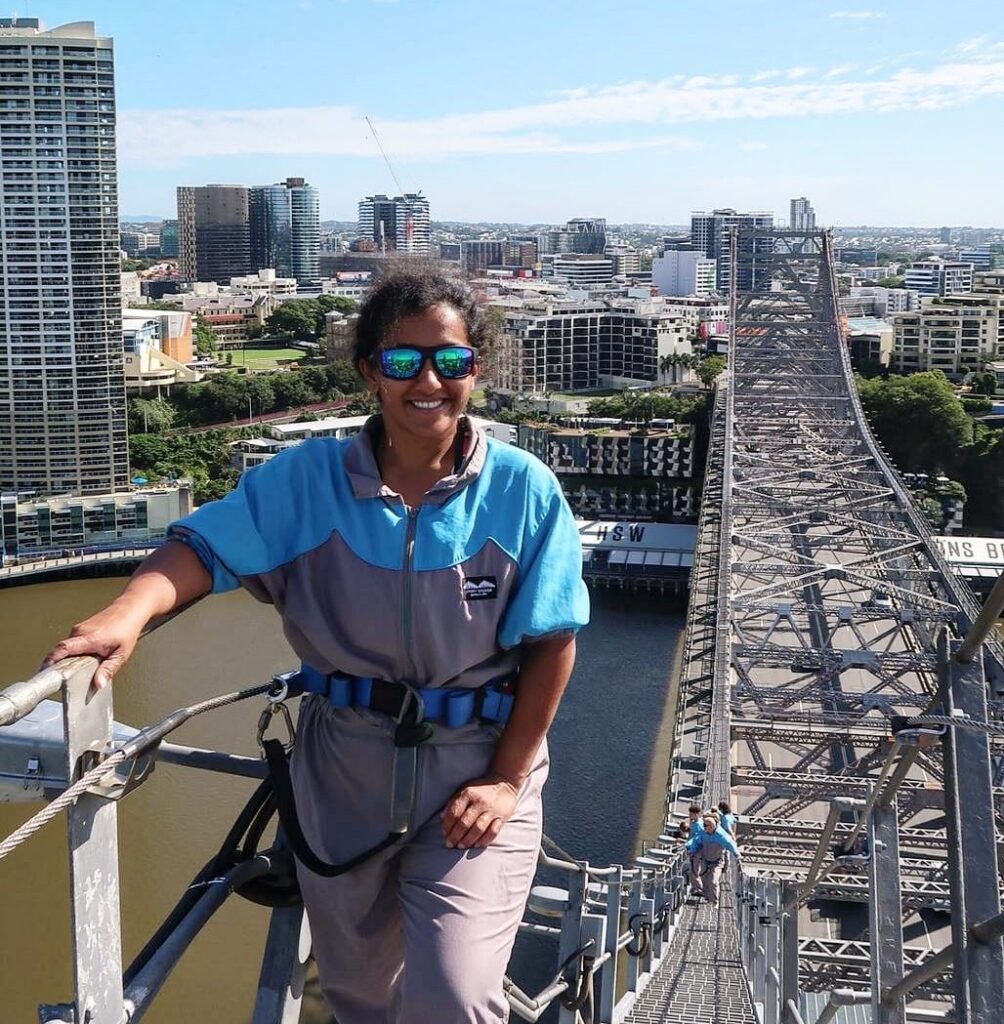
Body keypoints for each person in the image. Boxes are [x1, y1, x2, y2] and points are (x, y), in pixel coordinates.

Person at [42, 269, 590, 1024]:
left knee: (455, 997)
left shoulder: (522, 490)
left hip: (478, 773)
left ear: (476, 371)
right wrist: (127, 615)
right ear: (370, 370)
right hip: (343, 774)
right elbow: (203, 549)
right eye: (403, 362)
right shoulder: (308, 482)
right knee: (357, 994)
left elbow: (553, 642)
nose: (428, 380)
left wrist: (504, 779)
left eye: (450, 362)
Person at [686, 814, 741, 906]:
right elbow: (696, 841)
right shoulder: (703, 834)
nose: (703, 827)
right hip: (705, 860)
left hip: (717, 861)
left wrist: (737, 854)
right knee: (704, 881)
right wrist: (691, 849)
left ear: (712, 826)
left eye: (705, 825)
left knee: (713, 881)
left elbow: (730, 844)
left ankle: (715, 901)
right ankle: (708, 898)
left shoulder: (721, 835)